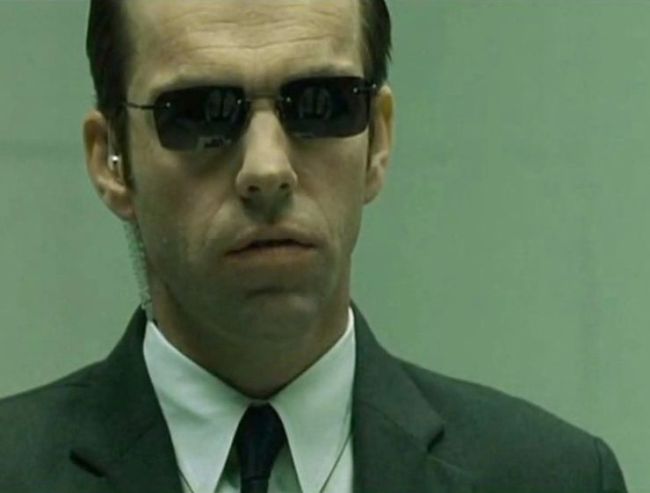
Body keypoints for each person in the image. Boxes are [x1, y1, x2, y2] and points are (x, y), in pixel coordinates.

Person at [0, 1, 628, 492]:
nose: (267, 168)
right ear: (110, 159)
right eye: (201, 111)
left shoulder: (555, 479)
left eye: (321, 104)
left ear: (378, 141)